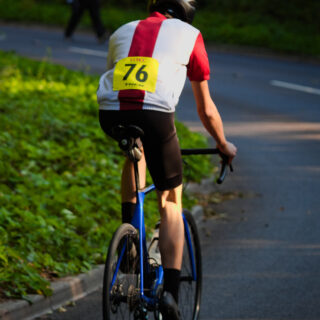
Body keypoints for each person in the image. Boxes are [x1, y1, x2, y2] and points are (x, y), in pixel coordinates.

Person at [97, 0, 237, 319]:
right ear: (187, 10)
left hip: (109, 114)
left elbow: (119, 81)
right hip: (155, 116)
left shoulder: (123, 30)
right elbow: (206, 109)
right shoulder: (190, 35)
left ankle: (130, 240)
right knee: (171, 200)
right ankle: (171, 295)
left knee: (137, 150)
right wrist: (223, 144)